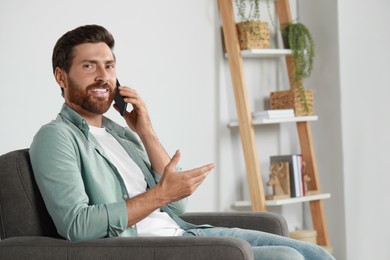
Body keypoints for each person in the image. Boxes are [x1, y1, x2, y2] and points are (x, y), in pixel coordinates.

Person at [29, 24, 334, 260]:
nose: (103, 76)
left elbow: (176, 206)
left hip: (186, 233)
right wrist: (159, 195)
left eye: (109, 66)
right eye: (89, 66)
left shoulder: (119, 134)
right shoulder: (56, 137)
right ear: (61, 77)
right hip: (149, 249)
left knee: (317, 254)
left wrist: (145, 131)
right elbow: (77, 226)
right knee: (288, 257)